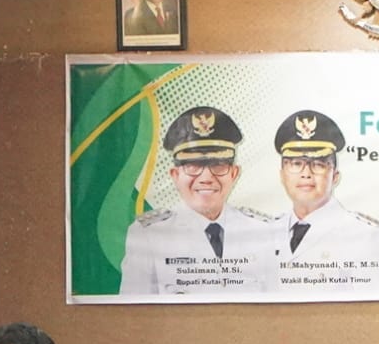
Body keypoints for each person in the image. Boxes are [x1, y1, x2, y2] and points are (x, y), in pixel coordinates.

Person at [119, 107, 280, 295]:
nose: (206, 178)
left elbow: (278, 306)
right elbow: (135, 311)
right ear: (175, 175)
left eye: (218, 165)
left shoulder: (262, 231)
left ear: (234, 173)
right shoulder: (149, 236)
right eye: (193, 166)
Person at [270, 110, 379, 291]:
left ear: (335, 176)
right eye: (296, 164)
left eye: (318, 164)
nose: (306, 174)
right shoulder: (266, 231)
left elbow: (376, 307)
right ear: (282, 175)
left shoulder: (363, 234)